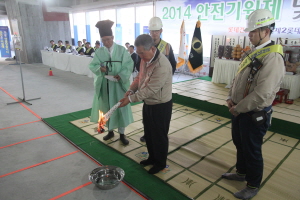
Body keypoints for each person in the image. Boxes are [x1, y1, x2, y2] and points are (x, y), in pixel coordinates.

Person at [222, 9, 285, 199]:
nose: (249, 35)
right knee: (240, 144)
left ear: (265, 31)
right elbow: (238, 79)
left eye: (253, 32)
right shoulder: (255, 52)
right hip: (240, 111)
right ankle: (241, 173)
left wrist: (237, 108)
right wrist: (230, 97)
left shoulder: (272, 57)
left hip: (253, 114)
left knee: (252, 150)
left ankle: (252, 185)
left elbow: (262, 93)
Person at [119, 34, 173, 174]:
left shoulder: (162, 65)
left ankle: (160, 163)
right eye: (138, 53)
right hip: (148, 103)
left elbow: (150, 89)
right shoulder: (144, 59)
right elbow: (139, 77)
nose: (140, 56)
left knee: (159, 135)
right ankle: (152, 158)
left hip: (161, 105)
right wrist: (131, 90)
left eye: (142, 53)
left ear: (152, 49)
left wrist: (130, 100)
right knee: (149, 133)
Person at [89, 19, 134, 145]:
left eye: (108, 39)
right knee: (106, 108)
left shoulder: (121, 50)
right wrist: (99, 68)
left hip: (119, 85)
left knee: (120, 108)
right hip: (105, 86)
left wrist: (121, 75)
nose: (107, 43)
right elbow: (92, 65)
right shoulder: (99, 51)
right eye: (104, 40)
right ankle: (110, 131)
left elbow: (129, 65)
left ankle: (122, 134)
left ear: (113, 37)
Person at [139, 16, 176, 142]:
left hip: (160, 86)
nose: (154, 33)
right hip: (147, 85)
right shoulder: (145, 45)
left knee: (160, 119)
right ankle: (147, 133)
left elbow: (172, 65)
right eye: (152, 31)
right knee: (147, 113)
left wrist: (163, 79)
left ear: (161, 31)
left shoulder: (166, 47)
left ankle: (161, 136)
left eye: (156, 31)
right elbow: (141, 64)